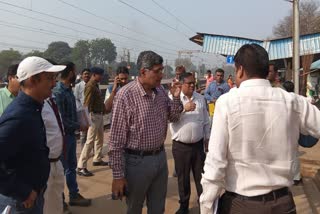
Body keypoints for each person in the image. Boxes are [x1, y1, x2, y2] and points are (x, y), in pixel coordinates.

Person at [200, 44, 320, 214]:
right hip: (283, 204)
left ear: (240, 70)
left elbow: (216, 162)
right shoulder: (293, 102)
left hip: (242, 205)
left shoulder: (227, 102)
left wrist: (206, 206)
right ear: (266, 70)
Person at [109, 51, 183, 214]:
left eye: (162, 70)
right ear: (143, 72)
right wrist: (118, 175)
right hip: (136, 162)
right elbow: (116, 140)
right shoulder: (125, 96)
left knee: (158, 207)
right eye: (157, 71)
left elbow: (174, 116)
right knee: (135, 207)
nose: (161, 75)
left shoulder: (161, 92)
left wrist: (176, 97)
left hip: (160, 158)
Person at [0, 56, 66, 213]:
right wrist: (21, 191)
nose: (54, 83)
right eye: (49, 78)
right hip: (21, 201)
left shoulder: (34, 109)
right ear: (32, 80)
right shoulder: (19, 116)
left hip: (32, 195)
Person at [169, 72, 210, 214]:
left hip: (198, 146)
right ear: (181, 84)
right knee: (183, 178)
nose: (192, 85)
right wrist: (183, 109)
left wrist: (207, 139)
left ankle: (204, 205)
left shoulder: (200, 99)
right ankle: (184, 206)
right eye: (189, 83)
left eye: (194, 83)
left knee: (201, 178)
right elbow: (170, 118)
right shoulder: (174, 99)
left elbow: (205, 121)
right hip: (181, 147)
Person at [53, 62, 91, 207]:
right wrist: (78, 125)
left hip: (70, 136)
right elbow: (60, 118)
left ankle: (74, 194)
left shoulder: (68, 90)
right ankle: (60, 201)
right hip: (62, 137)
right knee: (61, 169)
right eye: (75, 72)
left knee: (71, 167)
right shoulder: (59, 92)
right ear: (70, 73)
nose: (77, 75)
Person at [77, 67, 108, 177]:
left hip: (98, 114)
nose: (102, 77)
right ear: (94, 75)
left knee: (100, 138)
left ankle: (97, 158)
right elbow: (86, 103)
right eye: (100, 75)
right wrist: (86, 119)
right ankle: (81, 166)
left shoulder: (95, 85)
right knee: (90, 141)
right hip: (93, 115)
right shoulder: (90, 86)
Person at [42, 97, 65, 214]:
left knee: (56, 202)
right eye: (49, 78)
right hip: (45, 165)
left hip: (57, 161)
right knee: (46, 205)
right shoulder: (35, 106)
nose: (53, 82)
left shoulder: (51, 101)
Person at [74, 68, 91, 148]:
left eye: (88, 74)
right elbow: (76, 99)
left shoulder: (93, 85)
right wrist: (80, 111)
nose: (87, 75)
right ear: (82, 75)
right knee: (84, 134)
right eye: (85, 74)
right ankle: (82, 151)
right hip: (83, 112)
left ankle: (93, 152)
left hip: (92, 112)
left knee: (92, 133)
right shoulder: (78, 86)